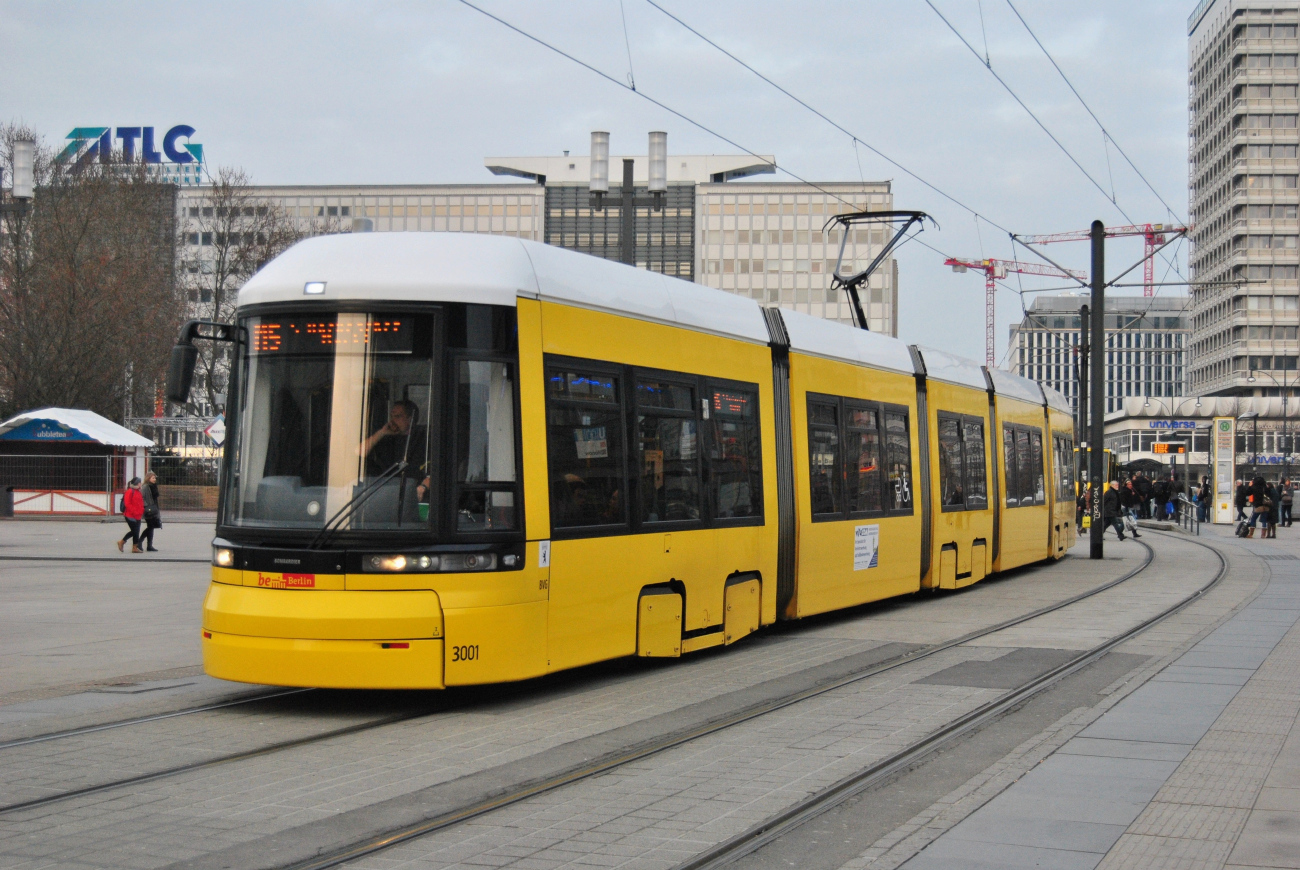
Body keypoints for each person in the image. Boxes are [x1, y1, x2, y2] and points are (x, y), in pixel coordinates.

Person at [117, 477, 144, 554]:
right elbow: (127, 504)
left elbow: (140, 503)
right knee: (134, 531)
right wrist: (135, 511)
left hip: (138, 515)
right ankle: (122, 541)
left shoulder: (138, 492)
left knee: (136, 531)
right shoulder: (129, 491)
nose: (140, 484)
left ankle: (134, 547)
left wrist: (141, 511)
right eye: (139, 483)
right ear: (136, 484)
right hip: (130, 515)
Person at [140, 471, 162, 552]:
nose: (154, 479)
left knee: (151, 527)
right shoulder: (145, 487)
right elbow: (142, 498)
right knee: (150, 526)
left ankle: (149, 545)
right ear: (148, 478)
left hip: (154, 509)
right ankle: (140, 541)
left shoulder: (153, 486)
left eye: (155, 478)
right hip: (148, 510)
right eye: (153, 478)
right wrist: (147, 505)